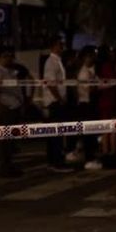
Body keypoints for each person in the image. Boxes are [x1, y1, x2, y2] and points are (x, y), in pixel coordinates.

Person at [0, 49, 27, 177]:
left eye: (10, 56)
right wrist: (0, 105)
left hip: (13, 108)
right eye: (5, 56)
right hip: (6, 110)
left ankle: (9, 166)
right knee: (4, 141)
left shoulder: (10, 71)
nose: (9, 58)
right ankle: (4, 168)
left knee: (11, 140)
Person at [42, 35, 72, 172]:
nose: (62, 47)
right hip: (54, 102)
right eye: (60, 44)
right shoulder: (51, 62)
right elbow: (50, 83)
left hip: (58, 101)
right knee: (56, 134)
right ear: (54, 46)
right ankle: (56, 162)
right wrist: (59, 99)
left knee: (57, 133)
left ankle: (54, 161)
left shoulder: (58, 61)